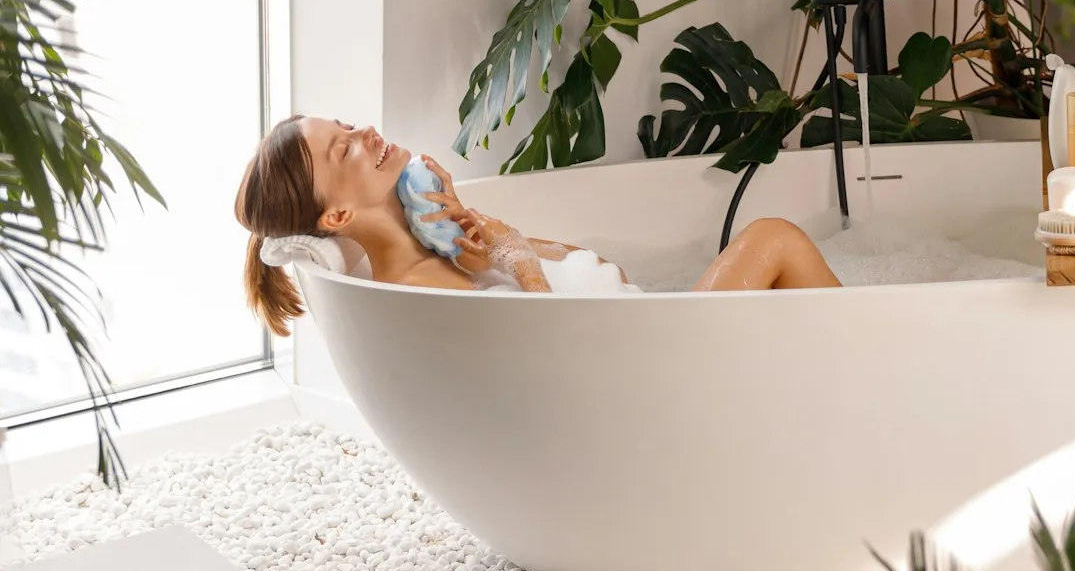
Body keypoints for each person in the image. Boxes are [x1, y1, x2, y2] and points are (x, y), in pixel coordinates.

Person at [233, 116, 840, 334]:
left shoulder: (442, 250)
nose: (365, 131)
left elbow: (605, 274)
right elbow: (556, 348)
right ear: (336, 216)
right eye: (345, 150)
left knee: (772, 246)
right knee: (772, 239)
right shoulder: (419, 288)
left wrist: (485, 230)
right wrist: (514, 258)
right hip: (651, 379)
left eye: (346, 125)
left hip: (651, 343)